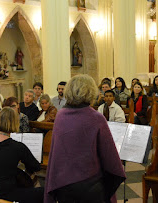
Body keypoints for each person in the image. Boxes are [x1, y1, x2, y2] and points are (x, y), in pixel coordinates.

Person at [45, 74, 126, 203]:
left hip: (64, 183)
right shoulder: (96, 118)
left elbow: (57, 153)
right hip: (90, 184)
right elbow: (109, 155)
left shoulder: (61, 116)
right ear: (91, 92)